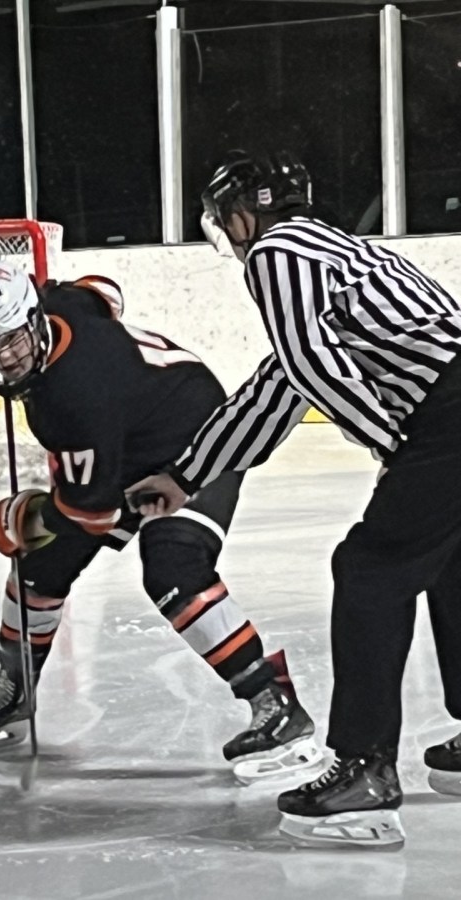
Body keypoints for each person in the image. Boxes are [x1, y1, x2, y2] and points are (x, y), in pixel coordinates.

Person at [129, 150, 461, 847]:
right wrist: (188, 475)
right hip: (448, 408)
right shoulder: (331, 250)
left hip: (447, 416)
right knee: (448, 563)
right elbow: (281, 384)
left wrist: (389, 447)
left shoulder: (278, 252)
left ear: (250, 209)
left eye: (225, 214)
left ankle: (365, 773)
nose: (226, 229)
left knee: (370, 570)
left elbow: (310, 366)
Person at [0, 260, 321, 784]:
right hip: (131, 435)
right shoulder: (58, 307)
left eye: (11, 340)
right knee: (39, 567)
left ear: (32, 319)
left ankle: (276, 707)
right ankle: (16, 687)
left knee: (174, 571)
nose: (3, 359)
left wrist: (24, 518)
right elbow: (103, 292)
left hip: (196, 442)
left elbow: (89, 513)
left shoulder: (69, 397)